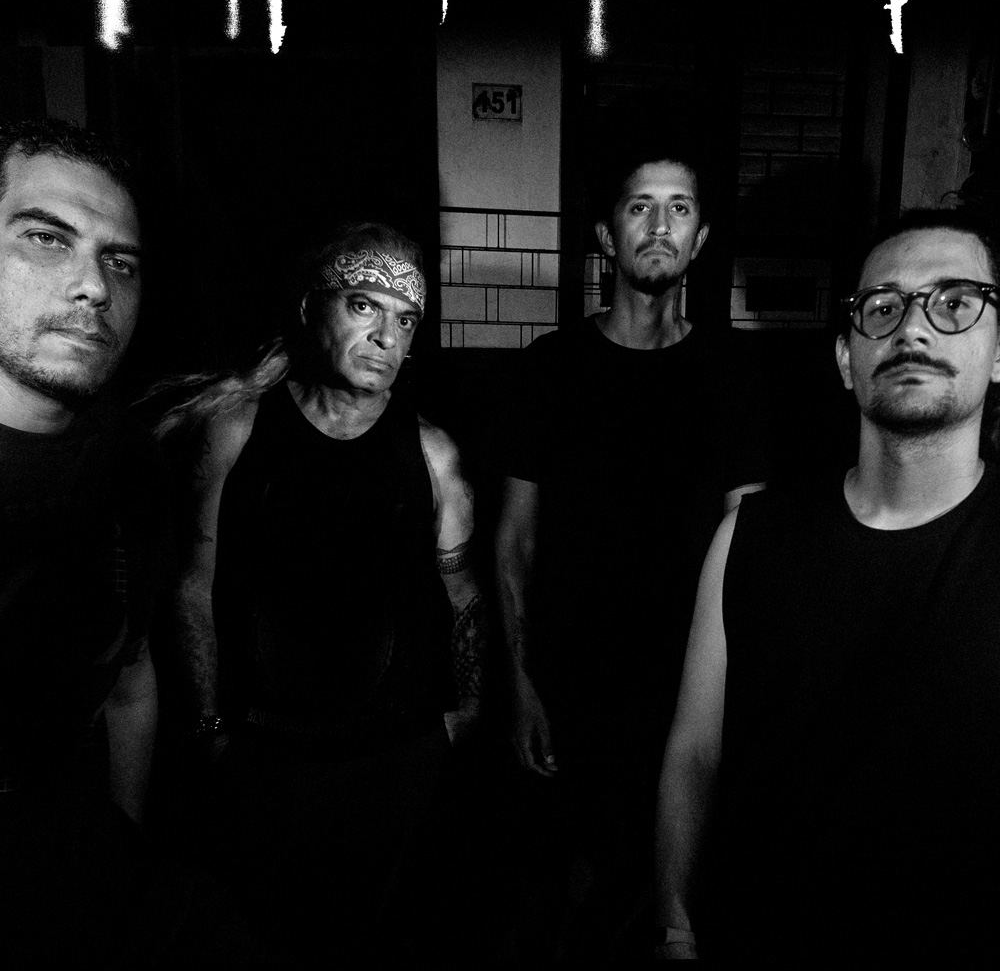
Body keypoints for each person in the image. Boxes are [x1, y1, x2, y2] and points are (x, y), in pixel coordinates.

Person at [655, 208, 1000, 961]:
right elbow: (695, 753)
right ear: (846, 359)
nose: (914, 329)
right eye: (883, 307)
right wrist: (678, 926)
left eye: (954, 302)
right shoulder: (749, 536)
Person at [157, 221, 487, 963]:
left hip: (394, 755)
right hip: (264, 752)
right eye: (364, 306)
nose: (386, 337)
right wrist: (208, 725)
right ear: (313, 309)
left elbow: (463, 591)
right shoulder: (237, 429)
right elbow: (192, 583)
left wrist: (465, 713)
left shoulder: (432, 452)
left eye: (406, 320)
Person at [495, 126, 766, 959]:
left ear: (701, 238)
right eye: (640, 206)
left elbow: (750, 542)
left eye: (679, 208)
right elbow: (514, 540)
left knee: (669, 894)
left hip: (685, 683)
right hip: (572, 679)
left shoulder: (732, 375)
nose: (659, 225)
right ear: (608, 236)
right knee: (563, 896)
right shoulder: (550, 368)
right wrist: (519, 683)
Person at [0, 118, 252, 963]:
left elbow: (129, 674)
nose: (93, 287)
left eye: (121, 262)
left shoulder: (130, 464)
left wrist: (121, 854)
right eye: (45, 238)